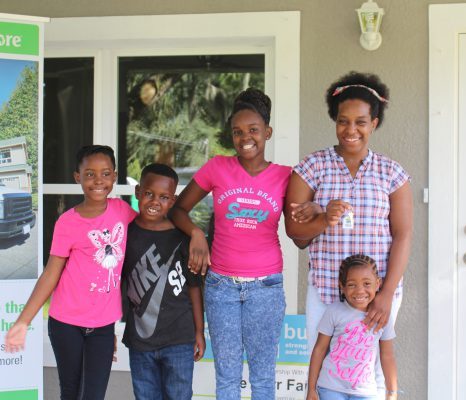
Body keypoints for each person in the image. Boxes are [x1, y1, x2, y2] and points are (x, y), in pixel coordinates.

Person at [169, 88, 291, 400]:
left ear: (268, 132)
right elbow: (177, 209)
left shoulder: (285, 177)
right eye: (237, 132)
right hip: (221, 286)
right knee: (227, 377)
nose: (245, 137)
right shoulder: (217, 168)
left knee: (263, 378)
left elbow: (301, 224)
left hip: (265, 287)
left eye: (253, 130)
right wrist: (197, 234)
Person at [285, 71, 413, 352]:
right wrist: (323, 219)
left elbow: (403, 236)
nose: (350, 129)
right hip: (327, 290)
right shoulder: (312, 167)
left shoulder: (392, 173)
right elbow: (295, 233)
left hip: (375, 293)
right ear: (335, 120)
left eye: (361, 122)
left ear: (374, 123)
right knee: (322, 368)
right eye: (343, 121)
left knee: (373, 372)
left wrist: (386, 293)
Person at [4, 145, 137, 400]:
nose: (98, 180)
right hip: (66, 322)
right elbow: (51, 274)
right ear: (77, 177)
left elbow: (150, 230)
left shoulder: (122, 212)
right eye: (89, 174)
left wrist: (194, 234)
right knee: (71, 390)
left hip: (102, 325)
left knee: (94, 394)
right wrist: (23, 321)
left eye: (105, 173)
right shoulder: (67, 222)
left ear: (115, 176)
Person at [121, 163, 205, 400]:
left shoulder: (183, 238)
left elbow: (194, 287)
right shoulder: (126, 235)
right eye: (149, 194)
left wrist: (199, 331)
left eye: (164, 196)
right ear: (138, 192)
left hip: (179, 339)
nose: (155, 201)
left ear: (174, 200)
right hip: (140, 342)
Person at [306, 255, 398, 400]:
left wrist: (392, 392)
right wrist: (311, 389)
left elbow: (387, 355)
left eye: (367, 283)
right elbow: (319, 349)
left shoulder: (382, 317)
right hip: (330, 388)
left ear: (378, 284)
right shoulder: (334, 311)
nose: (360, 290)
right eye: (351, 285)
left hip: (365, 392)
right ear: (342, 287)